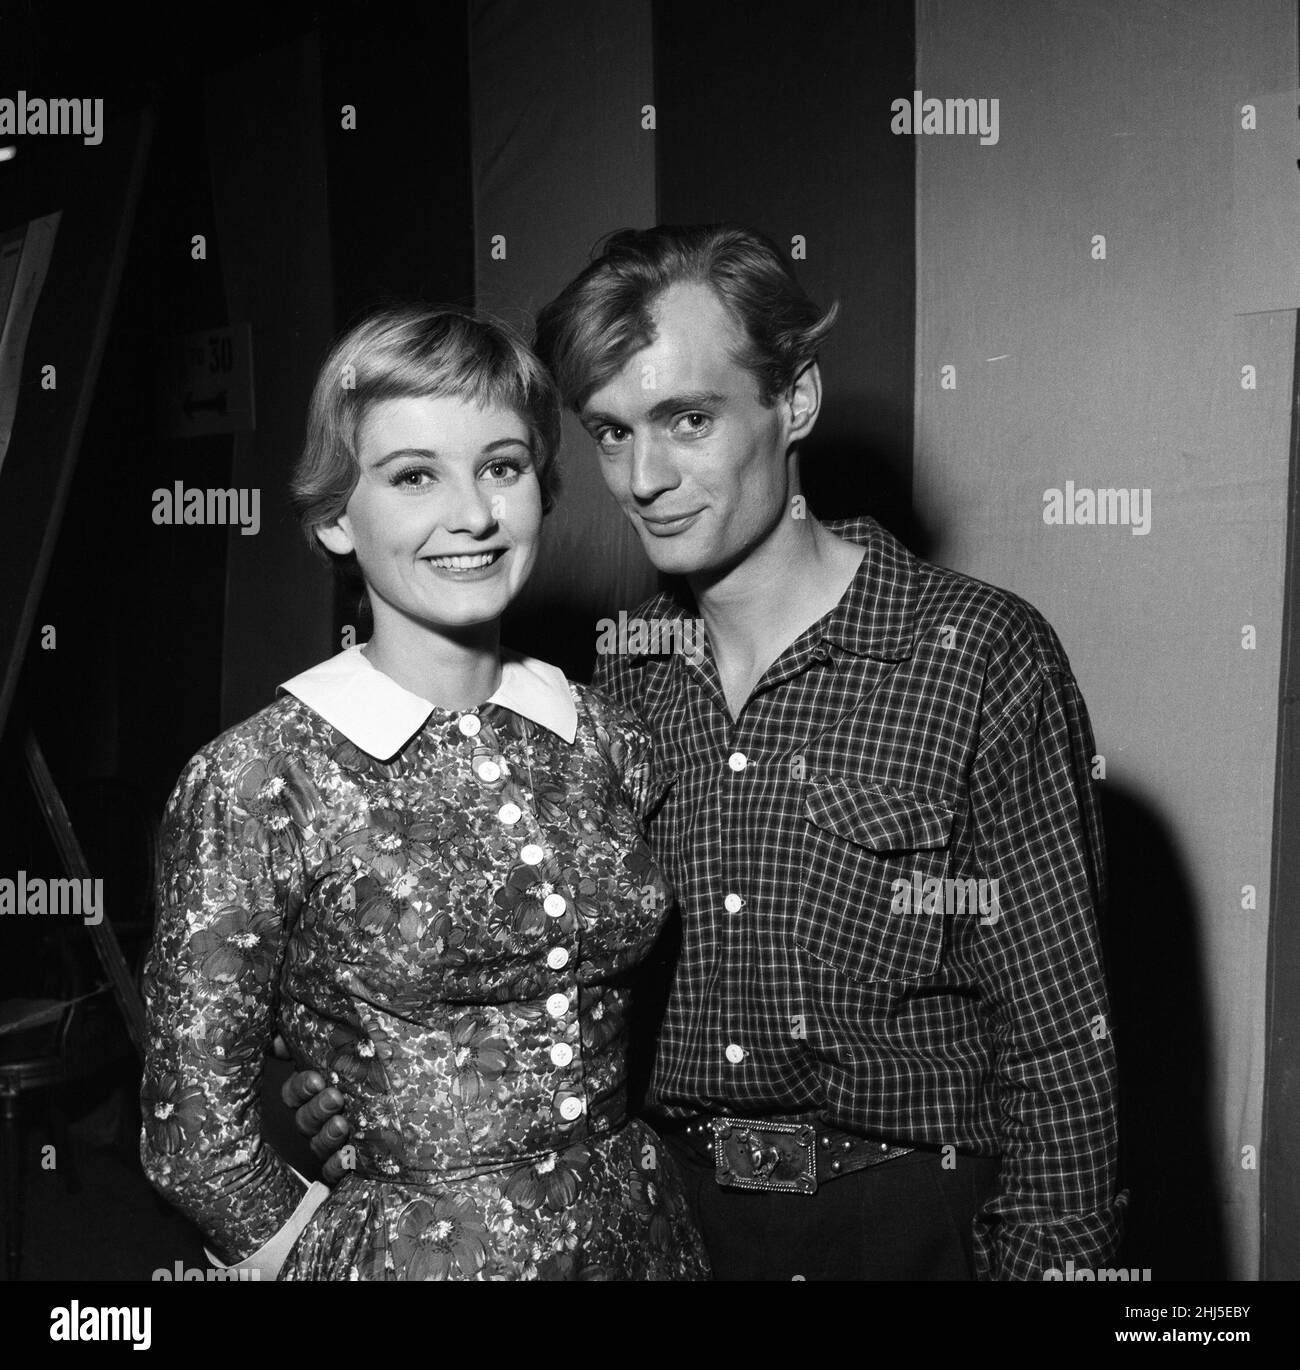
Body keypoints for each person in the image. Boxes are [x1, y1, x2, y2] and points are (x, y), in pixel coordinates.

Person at [292, 226, 1126, 1281]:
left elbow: (1061, 1038)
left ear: (796, 401)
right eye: (608, 432)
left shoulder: (977, 658)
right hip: (657, 1221)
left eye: (688, 418)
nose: (644, 477)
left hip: (905, 1224)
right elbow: (514, 987)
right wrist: (360, 1078)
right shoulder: (598, 694)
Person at [139, 304, 710, 1282]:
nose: (474, 515)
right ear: (332, 516)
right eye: (413, 475)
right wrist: (316, 1252)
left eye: (501, 466)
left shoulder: (607, 737)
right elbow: (193, 1132)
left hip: (642, 1240)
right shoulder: (260, 778)